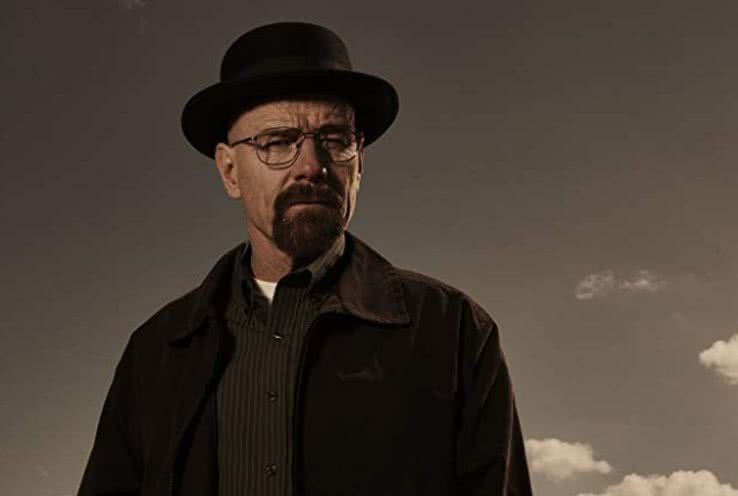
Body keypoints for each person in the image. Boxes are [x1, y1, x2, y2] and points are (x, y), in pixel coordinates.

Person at [78, 21, 533, 496]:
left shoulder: (453, 332)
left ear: (359, 162)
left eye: (334, 140)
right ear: (230, 170)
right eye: (277, 142)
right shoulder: (156, 352)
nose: (312, 166)